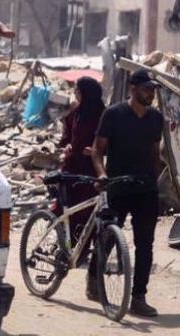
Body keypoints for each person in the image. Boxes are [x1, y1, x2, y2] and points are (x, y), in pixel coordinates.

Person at [91, 69, 164, 317]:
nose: (151, 94)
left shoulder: (156, 118)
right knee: (108, 238)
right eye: (146, 89)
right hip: (118, 185)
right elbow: (97, 150)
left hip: (145, 189)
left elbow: (155, 153)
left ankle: (139, 297)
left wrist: (154, 182)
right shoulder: (113, 114)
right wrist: (102, 174)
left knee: (146, 244)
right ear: (132, 89)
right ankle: (94, 277)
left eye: (153, 90)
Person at [57, 76, 105, 300]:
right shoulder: (75, 114)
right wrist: (66, 145)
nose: (75, 94)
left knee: (93, 219)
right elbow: (66, 136)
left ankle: (89, 264)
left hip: (94, 171)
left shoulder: (104, 116)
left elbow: (107, 141)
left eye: (78, 91)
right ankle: (65, 249)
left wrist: (96, 151)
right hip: (73, 169)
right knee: (68, 212)